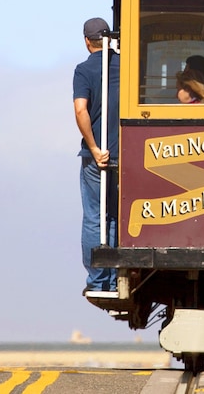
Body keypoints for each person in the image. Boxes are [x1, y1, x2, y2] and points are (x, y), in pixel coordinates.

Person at [73, 17, 120, 295]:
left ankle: (99, 281)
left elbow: (81, 110)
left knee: (94, 217)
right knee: (114, 217)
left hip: (97, 156)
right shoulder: (126, 66)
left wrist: (93, 148)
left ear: (86, 41)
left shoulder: (84, 70)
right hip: (124, 154)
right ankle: (115, 279)